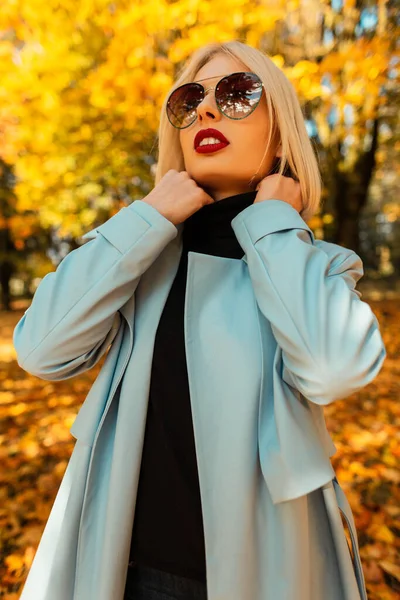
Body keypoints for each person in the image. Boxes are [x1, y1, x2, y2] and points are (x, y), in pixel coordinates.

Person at [13, 41, 386, 600]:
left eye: (238, 95)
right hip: (123, 571)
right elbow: (41, 349)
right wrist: (150, 215)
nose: (207, 111)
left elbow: (335, 369)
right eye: (190, 101)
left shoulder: (319, 265)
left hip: (269, 575)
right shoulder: (138, 262)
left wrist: (273, 221)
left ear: (280, 132)